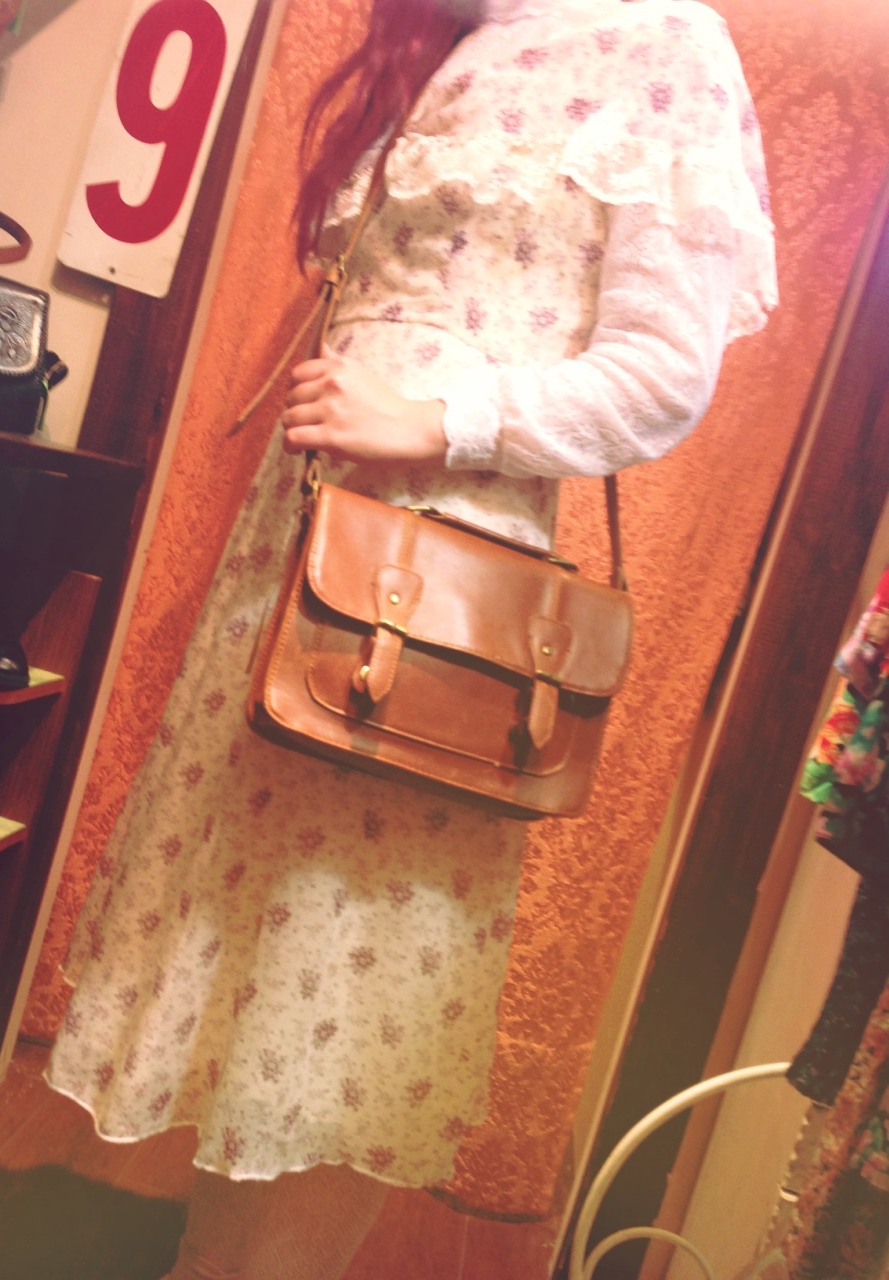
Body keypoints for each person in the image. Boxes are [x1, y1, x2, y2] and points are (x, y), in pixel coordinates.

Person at [46, 1, 777, 1277]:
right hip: (300, 545)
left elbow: (666, 373)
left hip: (443, 579)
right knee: (255, 945)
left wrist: (440, 417)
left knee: (352, 955)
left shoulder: (660, 38)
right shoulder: (434, 39)